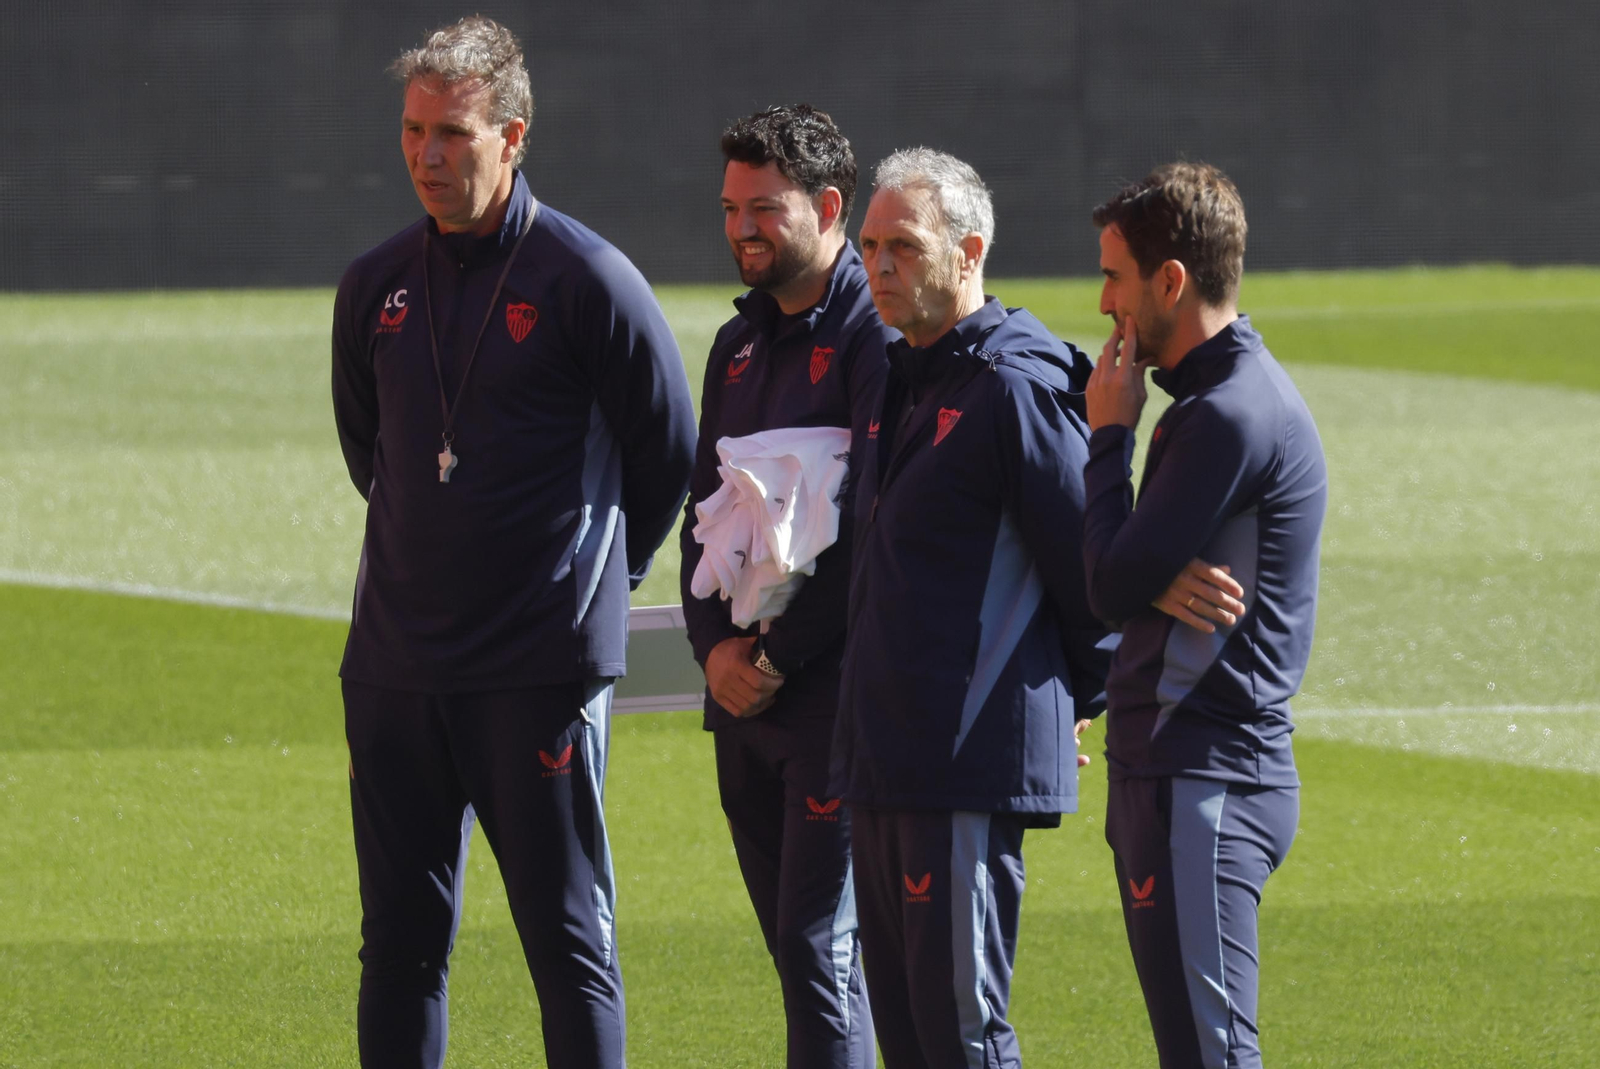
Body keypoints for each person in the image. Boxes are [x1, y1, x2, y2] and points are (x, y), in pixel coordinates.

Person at [329, 16, 696, 1069]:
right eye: (412, 132)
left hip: (537, 672)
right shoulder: (375, 286)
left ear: (514, 134)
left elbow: (665, 452)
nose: (426, 157)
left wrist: (596, 582)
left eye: (451, 134)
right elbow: (374, 457)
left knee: (568, 943)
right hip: (397, 671)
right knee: (397, 945)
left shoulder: (587, 279)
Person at [831, 147, 1112, 1068]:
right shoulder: (901, 375)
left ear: (970, 249)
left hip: (959, 763)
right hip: (885, 755)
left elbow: (1093, 573)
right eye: (870, 244)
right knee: (906, 1033)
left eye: (903, 245)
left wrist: (1069, 697)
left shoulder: (1013, 385)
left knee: (958, 1031)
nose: (878, 264)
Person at [1081, 161, 1328, 1069]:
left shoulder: (1224, 414)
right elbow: (1126, 572)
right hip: (1181, 770)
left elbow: (1106, 582)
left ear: (1170, 281)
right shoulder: (1217, 401)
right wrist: (1141, 564)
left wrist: (1108, 434)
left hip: (1204, 776)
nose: (1104, 299)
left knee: (1210, 1055)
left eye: (1114, 275)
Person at [679, 104, 891, 1069]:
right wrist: (713, 649)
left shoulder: (873, 334)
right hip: (745, 701)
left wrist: (770, 655)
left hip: (834, 701)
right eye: (730, 208)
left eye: (763, 208)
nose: (740, 229)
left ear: (830, 205)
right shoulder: (738, 343)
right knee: (802, 955)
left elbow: (878, 527)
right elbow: (704, 508)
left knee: (818, 949)